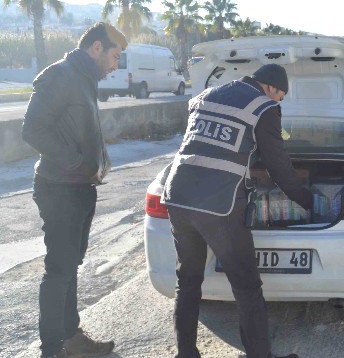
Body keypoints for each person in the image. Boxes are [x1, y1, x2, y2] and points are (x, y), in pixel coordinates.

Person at [162, 63, 312, 358]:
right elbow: (277, 164)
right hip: (218, 205)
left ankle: (185, 354)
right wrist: (307, 200)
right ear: (272, 88)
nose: (278, 102)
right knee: (246, 286)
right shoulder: (263, 106)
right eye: (280, 97)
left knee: (188, 280)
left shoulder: (206, 95)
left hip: (177, 195)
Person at [22, 22, 128, 358]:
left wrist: (93, 166)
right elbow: (33, 129)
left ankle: (71, 337)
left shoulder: (84, 80)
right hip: (59, 188)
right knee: (59, 270)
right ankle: (53, 348)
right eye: (115, 55)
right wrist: (78, 163)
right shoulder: (62, 75)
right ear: (96, 47)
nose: (116, 65)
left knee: (69, 266)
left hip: (79, 188)